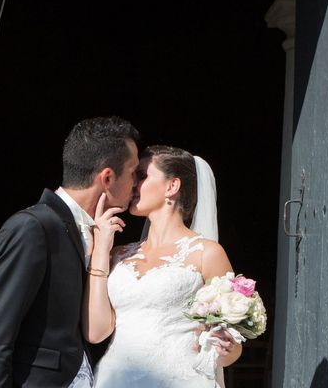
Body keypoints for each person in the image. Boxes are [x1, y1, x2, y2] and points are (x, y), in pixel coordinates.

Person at [0, 116, 140, 387]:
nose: (136, 184)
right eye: (133, 172)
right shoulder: (33, 227)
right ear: (107, 177)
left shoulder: (99, 233)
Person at [83, 145, 242, 387]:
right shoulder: (118, 254)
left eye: (143, 176)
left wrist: (224, 347)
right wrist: (101, 253)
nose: (133, 184)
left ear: (172, 186)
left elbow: (233, 348)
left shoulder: (206, 253)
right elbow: (96, 332)